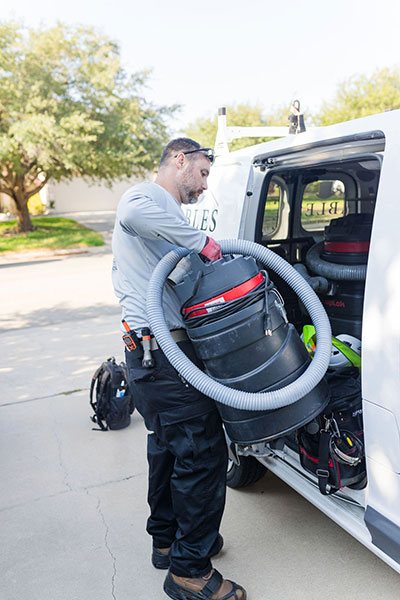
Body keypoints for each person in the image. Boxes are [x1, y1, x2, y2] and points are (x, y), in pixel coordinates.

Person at [112, 138, 247, 600]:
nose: (204, 185)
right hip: (159, 353)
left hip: (152, 352)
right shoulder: (147, 197)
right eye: (204, 173)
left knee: (168, 448)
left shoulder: (169, 216)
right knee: (203, 451)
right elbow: (130, 213)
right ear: (180, 159)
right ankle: (190, 571)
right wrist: (202, 244)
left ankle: (169, 542)